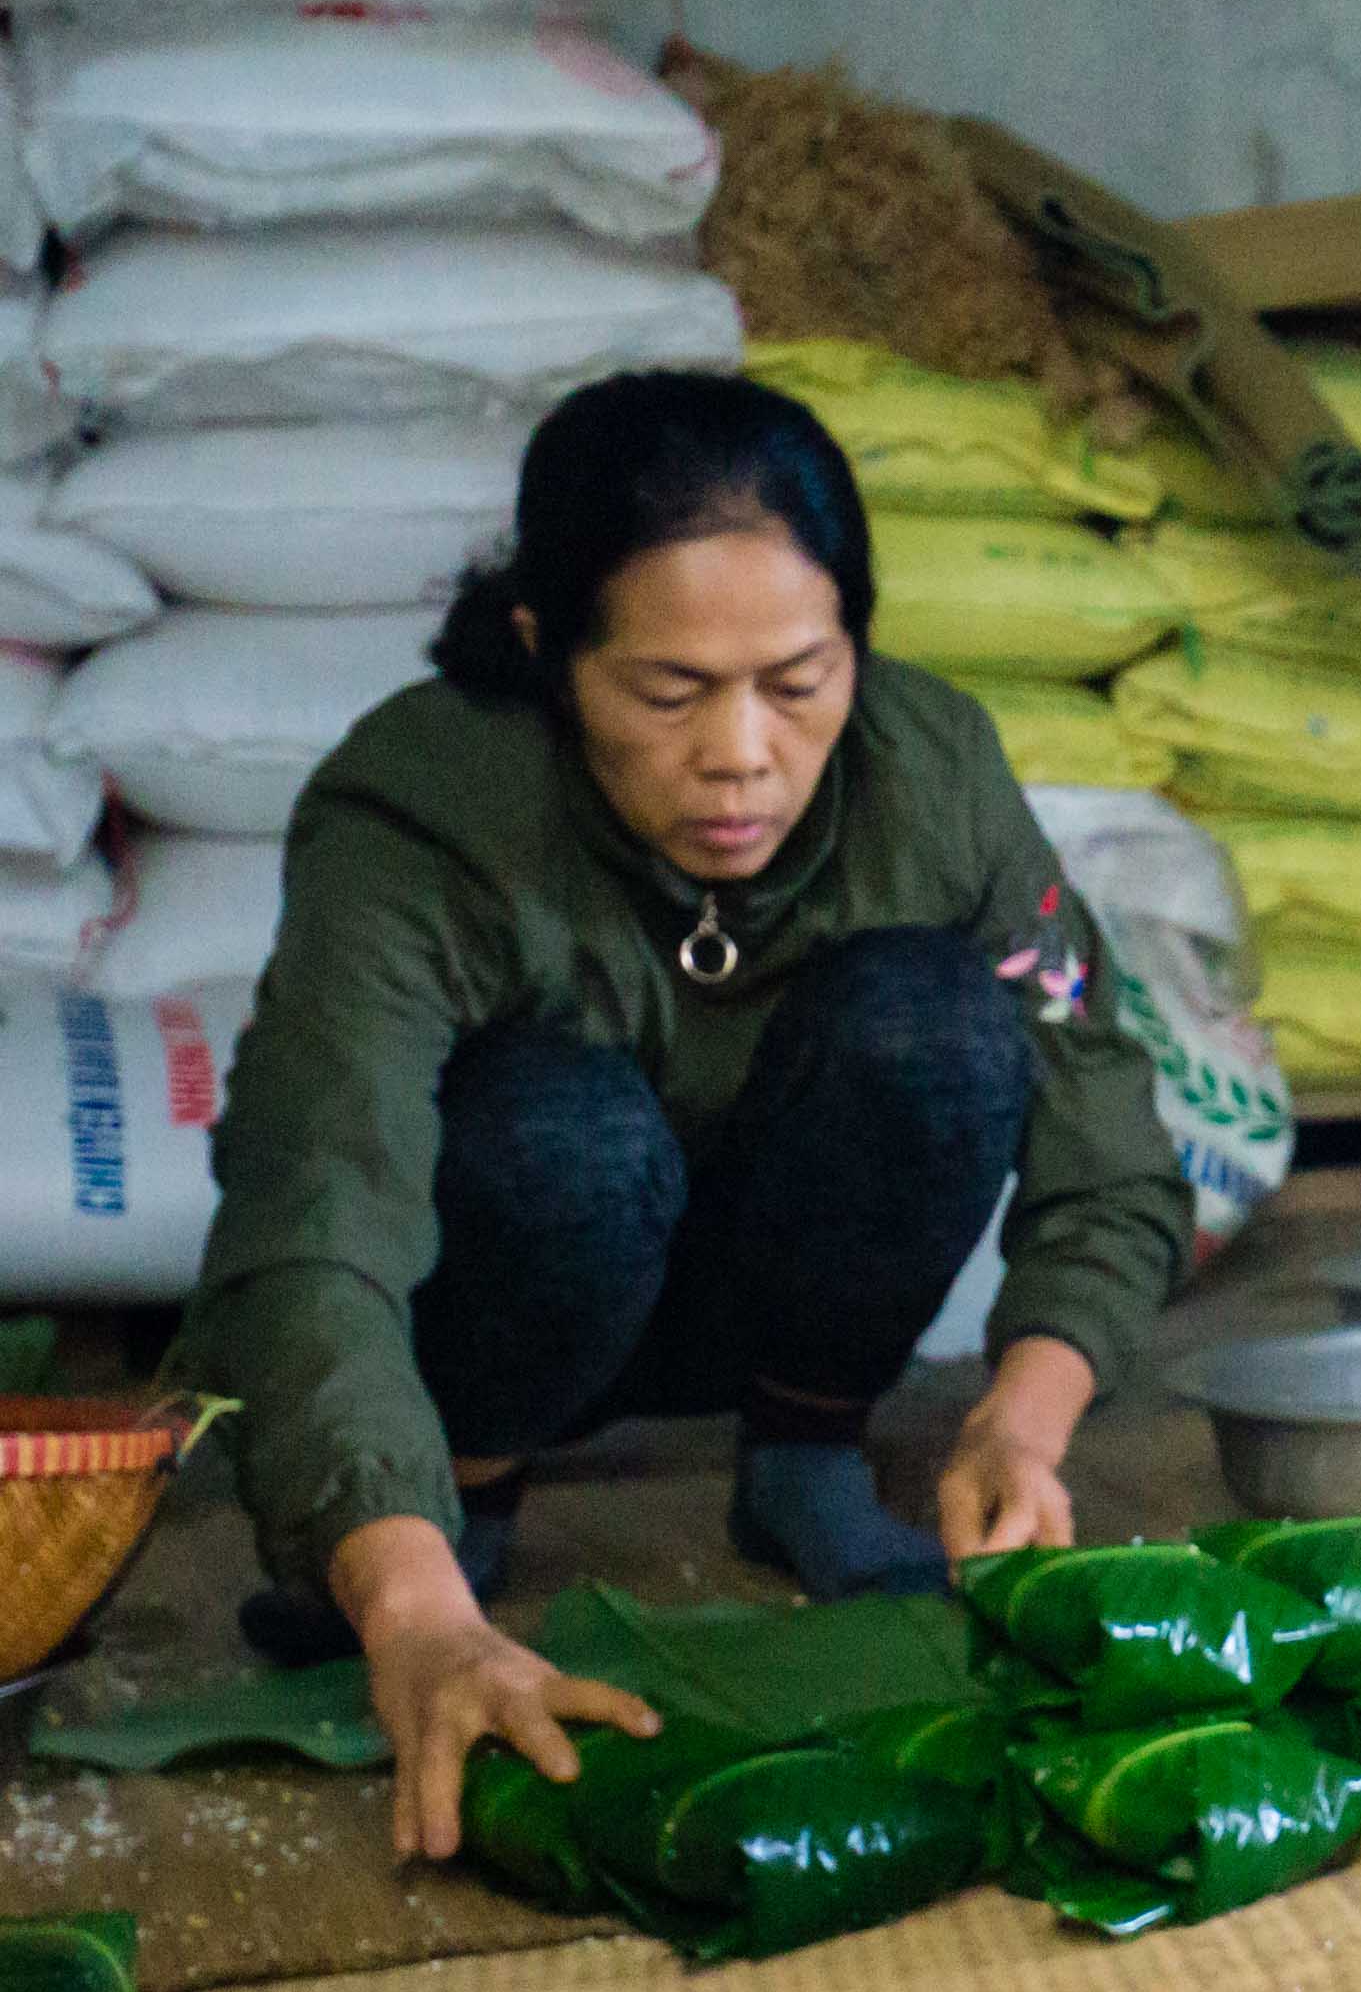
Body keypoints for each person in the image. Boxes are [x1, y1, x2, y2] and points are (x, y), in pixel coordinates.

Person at [181, 371, 1191, 1862]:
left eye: (799, 681)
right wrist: (403, 1601)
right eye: (668, 691)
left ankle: (803, 1461)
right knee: (562, 1135)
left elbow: (1102, 1134)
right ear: (545, 649)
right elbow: (314, 1217)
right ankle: (462, 1497)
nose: (741, 754)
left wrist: (1019, 1430)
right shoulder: (425, 809)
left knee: (936, 1023)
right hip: (519, 1286)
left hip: (774, 1288)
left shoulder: (932, 773)